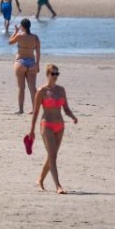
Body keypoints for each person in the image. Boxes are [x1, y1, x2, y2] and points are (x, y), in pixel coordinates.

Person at [29, 64, 78, 194]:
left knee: (52, 155)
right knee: (52, 155)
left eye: (57, 74)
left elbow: (66, 108)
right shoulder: (41, 91)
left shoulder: (61, 90)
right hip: (46, 125)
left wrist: (72, 116)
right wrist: (32, 130)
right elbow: (35, 112)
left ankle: (40, 179)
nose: (55, 77)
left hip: (60, 126)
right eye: (53, 74)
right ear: (47, 74)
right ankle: (58, 186)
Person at [8, 18, 42, 114]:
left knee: (21, 88)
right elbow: (38, 51)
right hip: (31, 62)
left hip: (20, 62)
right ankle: (35, 109)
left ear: (22, 26)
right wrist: (37, 64)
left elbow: (10, 42)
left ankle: (21, 109)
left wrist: (15, 32)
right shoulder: (35, 37)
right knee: (32, 88)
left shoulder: (19, 36)